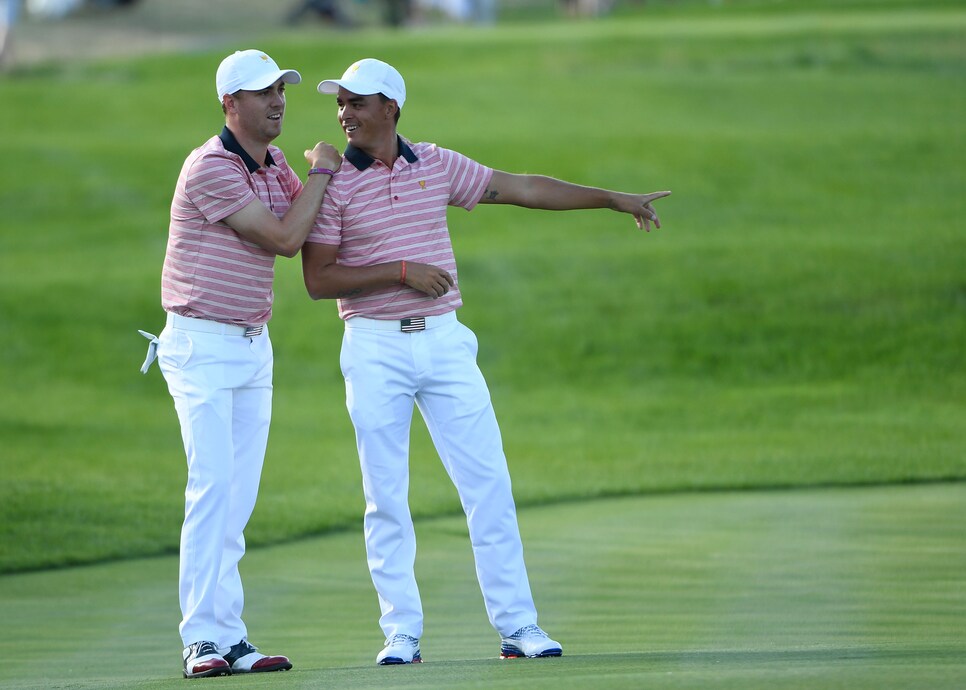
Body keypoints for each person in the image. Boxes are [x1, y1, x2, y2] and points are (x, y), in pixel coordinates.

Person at [301, 58, 669, 665]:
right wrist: (399, 272)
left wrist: (609, 198)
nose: (345, 114)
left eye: (357, 103)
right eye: (340, 104)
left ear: (391, 108)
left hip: (445, 341)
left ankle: (519, 626)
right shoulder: (333, 182)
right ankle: (401, 633)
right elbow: (318, 280)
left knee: (488, 485)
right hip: (373, 345)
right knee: (385, 495)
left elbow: (521, 187)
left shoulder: (438, 164)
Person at [138, 49, 341, 679]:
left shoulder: (274, 161)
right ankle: (200, 638)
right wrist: (324, 171)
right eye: (262, 93)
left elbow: (306, 223)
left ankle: (231, 634)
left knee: (239, 499)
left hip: (254, 346)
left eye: (281, 89)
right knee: (213, 490)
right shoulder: (210, 168)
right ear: (230, 103)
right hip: (201, 344)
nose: (278, 100)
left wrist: (318, 177)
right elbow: (284, 239)